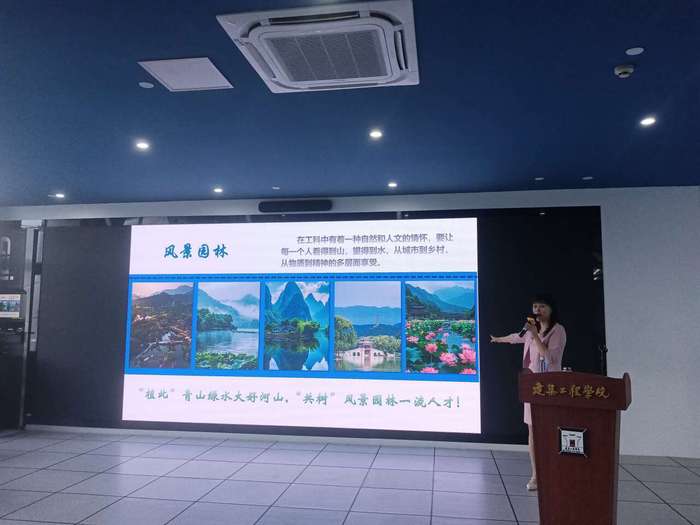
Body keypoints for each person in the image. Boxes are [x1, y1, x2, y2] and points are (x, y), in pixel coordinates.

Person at [490, 294, 567, 491]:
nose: (537, 310)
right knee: (532, 430)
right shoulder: (531, 329)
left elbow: (549, 358)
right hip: (532, 386)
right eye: (535, 306)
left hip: (550, 386)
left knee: (550, 429)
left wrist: (535, 335)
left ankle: (554, 471)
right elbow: (517, 337)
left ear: (551, 309)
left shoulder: (558, 330)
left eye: (542, 306)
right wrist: (498, 339)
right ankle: (536, 475)